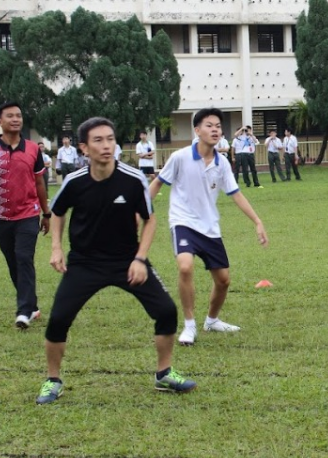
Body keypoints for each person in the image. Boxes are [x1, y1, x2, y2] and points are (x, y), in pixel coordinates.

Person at [36, 117, 196, 405]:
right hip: (84, 262)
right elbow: (57, 212)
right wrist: (56, 248)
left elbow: (150, 221)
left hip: (127, 260)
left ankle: (164, 374)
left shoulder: (133, 179)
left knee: (166, 311)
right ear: (84, 148)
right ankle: (53, 380)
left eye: (110, 139)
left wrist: (140, 258)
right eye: (98, 140)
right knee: (58, 319)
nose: (106, 145)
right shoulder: (74, 182)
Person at [149, 108, 268, 346]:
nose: (215, 130)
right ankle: (189, 325)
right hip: (182, 222)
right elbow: (158, 183)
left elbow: (236, 194)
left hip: (210, 227)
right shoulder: (180, 157)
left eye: (218, 126)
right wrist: (140, 210)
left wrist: (257, 221)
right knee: (185, 267)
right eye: (209, 125)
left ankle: (212, 321)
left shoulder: (221, 163)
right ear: (197, 130)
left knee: (223, 280)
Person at [0, 102, 50, 329]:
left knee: (24, 257)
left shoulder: (34, 149)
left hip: (28, 213)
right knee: (13, 261)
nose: (16, 119)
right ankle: (32, 306)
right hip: (0, 215)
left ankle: (24, 311)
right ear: (0, 121)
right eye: (10, 116)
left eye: (19, 115)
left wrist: (46, 212)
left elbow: (39, 182)